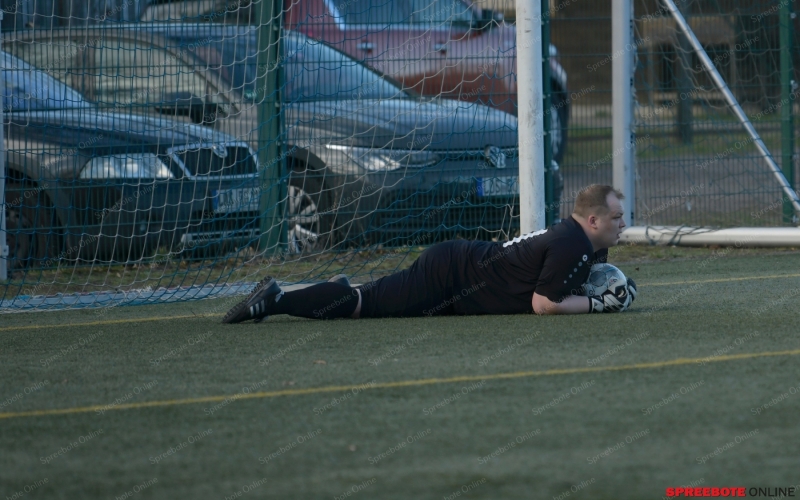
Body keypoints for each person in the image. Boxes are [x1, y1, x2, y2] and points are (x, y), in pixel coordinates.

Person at [222, 184, 637, 324]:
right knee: (358, 307)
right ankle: (274, 300)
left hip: (460, 274)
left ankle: (338, 288)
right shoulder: (571, 244)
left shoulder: (580, 243)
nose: (623, 223)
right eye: (617, 217)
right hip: (450, 275)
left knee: (368, 297)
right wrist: (599, 306)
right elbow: (545, 304)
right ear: (594, 221)